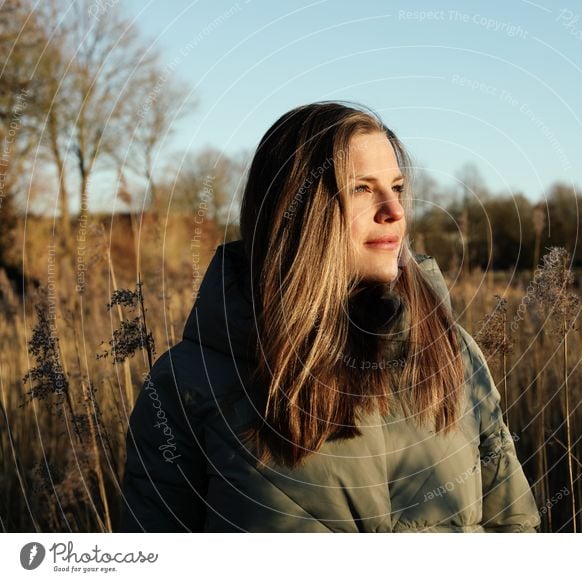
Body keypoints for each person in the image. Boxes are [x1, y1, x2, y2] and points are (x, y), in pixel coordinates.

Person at [119, 101, 540, 532]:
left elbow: (514, 525)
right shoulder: (190, 383)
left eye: (396, 187)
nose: (394, 210)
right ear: (299, 211)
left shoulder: (453, 352)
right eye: (361, 189)